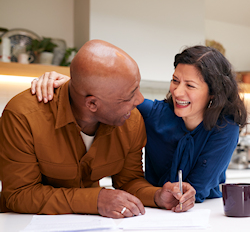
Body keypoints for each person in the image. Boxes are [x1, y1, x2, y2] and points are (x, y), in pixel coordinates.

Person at [0, 40, 196, 217]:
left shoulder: (131, 120)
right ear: (92, 104)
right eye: (129, 96)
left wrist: (157, 195)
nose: (139, 100)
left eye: (137, 88)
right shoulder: (22, 117)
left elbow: (129, 181)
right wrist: (95, 200)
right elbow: (19, 194)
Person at [33, 45, 247, 203]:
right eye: (175, 80)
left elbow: (197, 189)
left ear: (213, 93)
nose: (177, 92)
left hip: (202, 211)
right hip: (153, 204)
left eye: (190, 85)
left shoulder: (225, 128)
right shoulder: (155, 114)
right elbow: (109, 97)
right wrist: (70, 83)